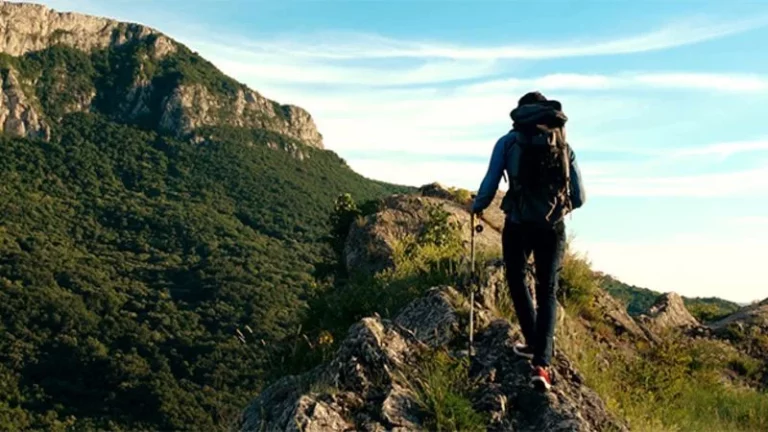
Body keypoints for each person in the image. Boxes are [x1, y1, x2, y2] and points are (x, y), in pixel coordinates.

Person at [471, 91, 586, 391]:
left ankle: (534, 342)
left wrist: (477, 207)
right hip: (552, 227)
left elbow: (490, 183)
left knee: (517, 278)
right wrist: (556, 210)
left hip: (518, 223)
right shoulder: (563, 145)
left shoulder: (508, 142)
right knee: (547, 290)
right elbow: (580, 196)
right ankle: (542, 364)